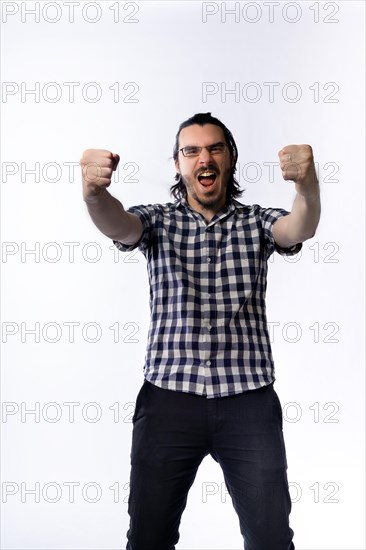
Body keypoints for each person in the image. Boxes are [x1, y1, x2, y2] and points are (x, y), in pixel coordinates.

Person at [80, 112, 321, 550]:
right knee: (148, 537)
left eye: (214, 148)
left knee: (270, 537)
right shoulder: (156, 222)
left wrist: (307, 186)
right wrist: (95, 195)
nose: (203, 158)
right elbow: (118, 223)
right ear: (178, 164)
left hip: (248, 404)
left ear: (229, 158)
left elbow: (298, 227)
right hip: (168, 403)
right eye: (191, 151)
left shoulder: (258, 222)